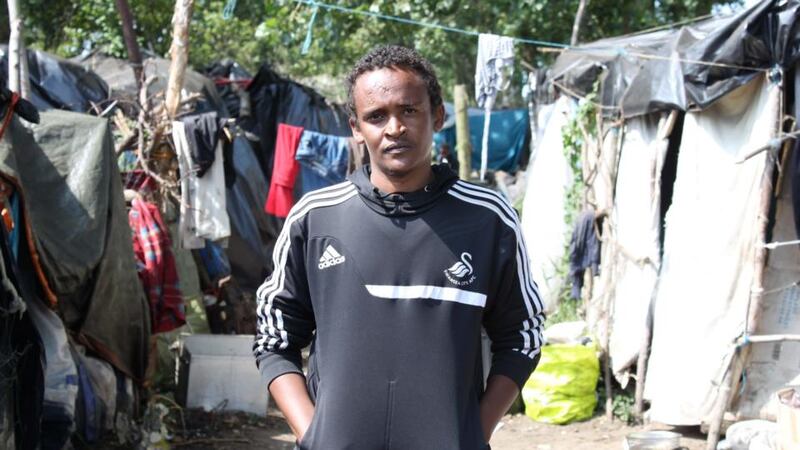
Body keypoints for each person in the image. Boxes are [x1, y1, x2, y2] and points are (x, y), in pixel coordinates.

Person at [253, 45, 545, 450]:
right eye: (376, 116)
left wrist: (473, 433)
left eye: (409, 110)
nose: (394, 128)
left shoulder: (488, 218)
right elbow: (274, 337)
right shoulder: (315, 218)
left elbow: (522, 335)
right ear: (356, 127)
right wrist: (314, 434)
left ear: (437, 116)